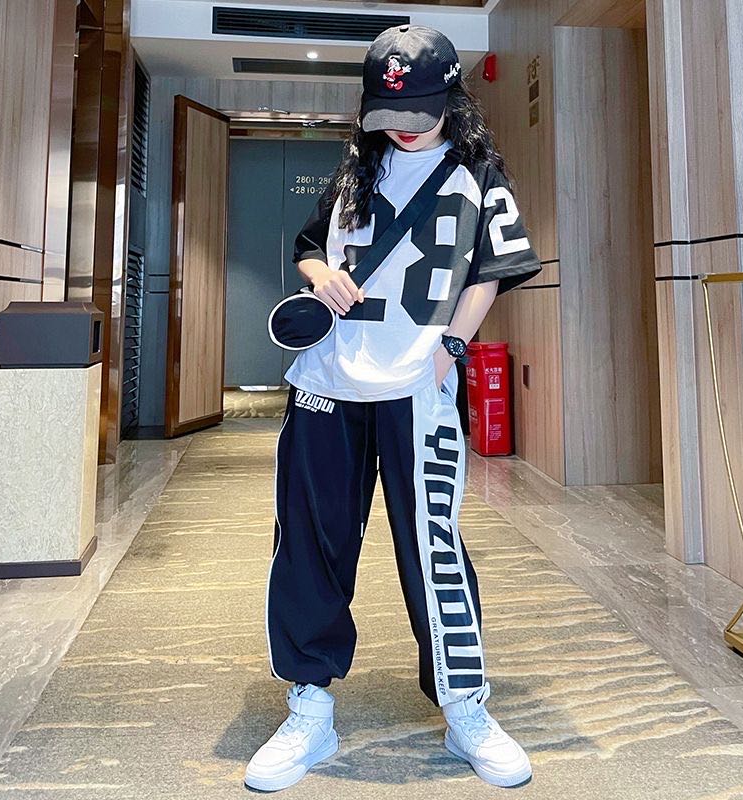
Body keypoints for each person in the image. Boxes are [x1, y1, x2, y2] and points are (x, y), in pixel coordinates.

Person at [245, 24, 542, 793]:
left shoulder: (478, 174)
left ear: (451, 99)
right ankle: (309, 707)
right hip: (326, 384)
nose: (403, 127)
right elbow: (311, 246)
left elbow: (492, 269)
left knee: (433, 552)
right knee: (309, 547)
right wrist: (320, 275)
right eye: (389, 113)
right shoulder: (355, 166)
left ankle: (465, 708)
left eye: (419, 112)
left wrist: (450, 349)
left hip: (417, 389)